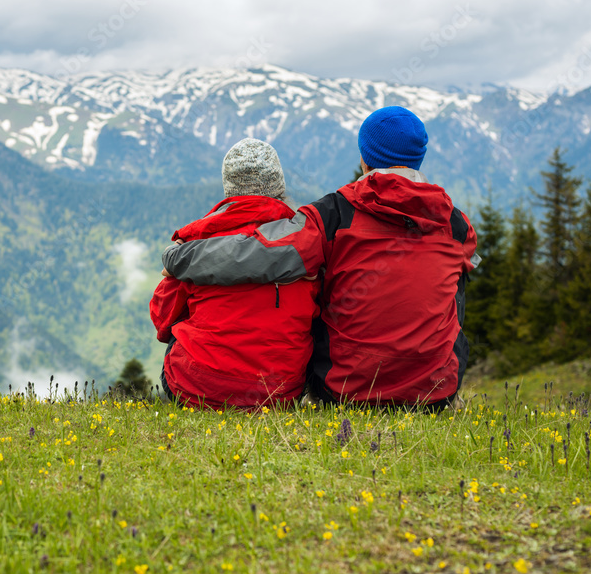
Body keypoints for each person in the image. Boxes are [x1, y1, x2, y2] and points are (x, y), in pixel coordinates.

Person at [162, 107, 479, 410]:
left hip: (344, 389)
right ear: (419, 157)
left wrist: (180, 257)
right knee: (455, 277)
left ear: (364, 158)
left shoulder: (333, 214)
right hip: (435, 391)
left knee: (312, 275)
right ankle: (435, 374)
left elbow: (255, 254)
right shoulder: (456, 224)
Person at [150, 138, 320, 409]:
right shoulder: (305, 243)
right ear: (278, 183)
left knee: (177, 330)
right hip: (279, 393)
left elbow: (162, 320)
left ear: (229, 186)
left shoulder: (196, 242)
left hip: (196, 389)